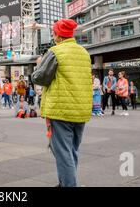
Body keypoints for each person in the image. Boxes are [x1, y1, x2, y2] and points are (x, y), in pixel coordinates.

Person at [32, 19, 92, 187]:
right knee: (72, 149)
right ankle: (63, 181)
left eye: (53, 32)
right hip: (80, 109)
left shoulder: (55, 51)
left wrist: (38, 66)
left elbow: (40, 78)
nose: (52, 34)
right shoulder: (84, 52)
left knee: (62, 151)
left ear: (58, 35)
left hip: (61, 109)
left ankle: (68, 184)